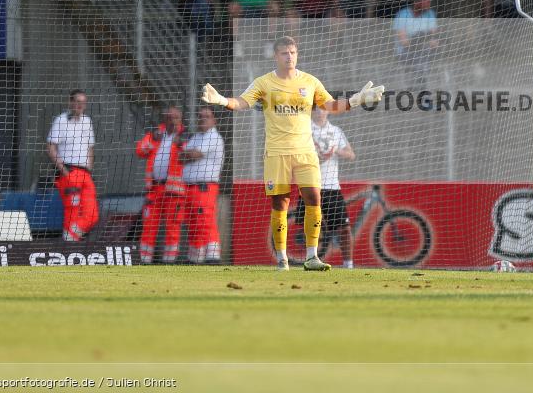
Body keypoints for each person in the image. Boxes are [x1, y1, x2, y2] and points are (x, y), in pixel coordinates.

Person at [200, 36, 384, 271]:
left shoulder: (310, 81)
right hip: (277, 153)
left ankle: (312, 257)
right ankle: (282, 259)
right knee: (281, 204)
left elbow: (331, 106)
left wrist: (357, 100)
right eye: (285, 53)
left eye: (293, 52)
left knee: (314, 199)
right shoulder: (264, 82)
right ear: (276, 56)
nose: (290, 57)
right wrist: (221, 100)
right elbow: (242, 102)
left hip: (305, 152)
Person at [296, 106, 356, 268]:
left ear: (329, 111)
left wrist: (335, 151)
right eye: (316, 109)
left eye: (323, 109)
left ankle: (348, 265)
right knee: (307, 226)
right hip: (309, 184)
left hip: (331, 186)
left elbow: (351, 154)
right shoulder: (304, 128)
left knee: (344, 227)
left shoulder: (335, 131)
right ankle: (309, 259)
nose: (320, 112)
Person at [136, 106, 188, 264]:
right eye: (169, 117)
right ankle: (144, 260)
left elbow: (191, 155)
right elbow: (140, 150)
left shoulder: (185, 136)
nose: (172, 121)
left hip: (174, 191)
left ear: (180, 119)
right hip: (154, 189)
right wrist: (152, 139)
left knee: (172, 228)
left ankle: (169, 262)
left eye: (175, 118)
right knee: (149, 226)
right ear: (164, 119)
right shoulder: (156, 134)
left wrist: (181, 145)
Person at [46, 90, 98, 242]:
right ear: (70, 102)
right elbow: (50, 146)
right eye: (77, 101)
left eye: (83, 102)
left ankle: (69, 238)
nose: (80, 105)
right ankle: (70, 246)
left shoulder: (87, 121)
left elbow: (90, 147)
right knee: (72, 210)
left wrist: (89, 168)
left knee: (92, 214)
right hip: (69, 170)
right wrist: (63, 170)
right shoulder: (61, 120)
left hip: (85, 173)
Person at [181, 106, 225, 264]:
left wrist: (188, 154)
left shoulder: (213, 137)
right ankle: (195, 257)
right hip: (191, 187)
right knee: (193, 222)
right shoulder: (197, 137)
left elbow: (193, 154)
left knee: (205, 220)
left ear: (214, 120)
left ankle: (213, 256)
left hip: (205, 187)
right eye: (200, 116)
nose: (202, 119)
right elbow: (182, 157)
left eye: (206, 116)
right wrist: (188, 154)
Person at [393, 0, 439, 90]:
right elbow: (404, 42)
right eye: (425, 0)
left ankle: (421, 87)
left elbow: (434, 40)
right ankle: (420, 86)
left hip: (424, 51)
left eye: (429, 0)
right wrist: (420, 40)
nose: (428, 3)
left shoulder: (430, 14)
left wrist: (423, 40)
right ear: (416, 2)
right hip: (405, 53)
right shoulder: (402, 14)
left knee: (424, 52)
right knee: (420, 54)